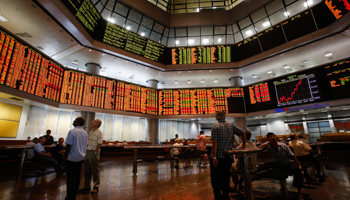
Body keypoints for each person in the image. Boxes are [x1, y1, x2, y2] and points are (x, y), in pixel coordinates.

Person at [210, 110, 246, 200]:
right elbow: (243, 133)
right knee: (226, 177)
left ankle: (218, 196)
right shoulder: (231, 125)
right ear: (224, 116)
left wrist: (214, 157)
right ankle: (226, 195)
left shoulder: (215, 127)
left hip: (218, 157)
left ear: (217, 117)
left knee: (216, 178)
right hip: (228, 157)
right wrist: (243, 146)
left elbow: (215, 142)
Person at [260, 132, 304, 200]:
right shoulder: (268, 145)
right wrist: (265, 144)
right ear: (268, 139)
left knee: (297, 170)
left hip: (288, 162)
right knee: (266, 165)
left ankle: (299, 192)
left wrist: (299, 164)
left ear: (276, 137)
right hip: (278, 163)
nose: (272, 138)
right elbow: (259, 147)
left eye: (273, 136)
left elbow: (292, 155)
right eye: (270, 137)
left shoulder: (283, 145)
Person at [64, 117, 88, 200]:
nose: (73, 121)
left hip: (72, 157)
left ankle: (71, 196)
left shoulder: (72, 132)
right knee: (77, 176)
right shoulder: (85, 133)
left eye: (75, 120)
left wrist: (65, 155)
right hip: (81, 157)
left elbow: (69, 145)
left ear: (78, 122)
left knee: (70, 177)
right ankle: (75, 193)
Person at [79, 119, 103, 194]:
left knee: (95, 170)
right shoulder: (91, 131)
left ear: (98, 124)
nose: (92, 122)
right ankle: (87, 186)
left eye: (94, 121)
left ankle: (96, 186)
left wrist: (96, 152)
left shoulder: (99, 133)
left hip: (93, 152)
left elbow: (99, 143)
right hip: (88, 151)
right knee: (87, 170)